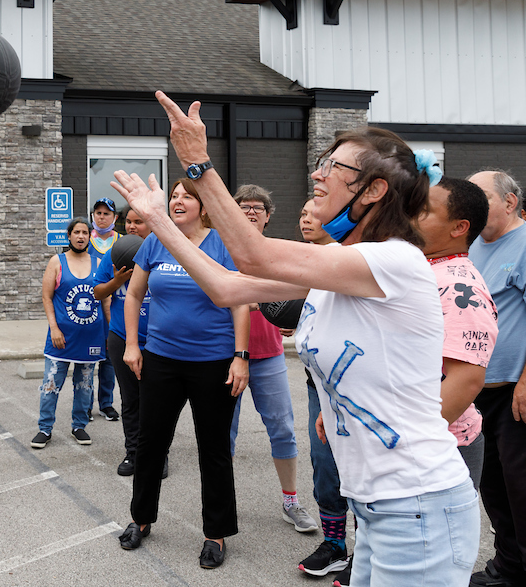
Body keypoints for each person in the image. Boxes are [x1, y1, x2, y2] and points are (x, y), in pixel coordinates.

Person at [115, 91, 480, 586]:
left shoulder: (393, 260)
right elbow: (226, 287)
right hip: (378, 505)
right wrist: (158, 220)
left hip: (416, 502)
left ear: (371, 191)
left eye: (332, 165)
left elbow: (253, 255)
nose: (317, 173)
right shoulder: (342, 270)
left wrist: (198, 163)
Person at [114, 177, 250, 569]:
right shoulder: (158, 239)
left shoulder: (222, 243)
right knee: (151, 443)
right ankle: (141, 518)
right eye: (172, 196)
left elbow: (240, 302)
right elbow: (135, 293)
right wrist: (133, 344)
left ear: (203, 205)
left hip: (213, 362)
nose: (176, 201)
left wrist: (241, 356)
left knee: (214, 449)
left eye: (185, 196)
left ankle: (216, 534)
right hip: (162, 360)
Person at [230, 185, 316, 533]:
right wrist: (252, 301)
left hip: (269, 357)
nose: (251, 212)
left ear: (268, 215)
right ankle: (223, 502)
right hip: (227, 356)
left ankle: (291, 501)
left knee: (283, 431)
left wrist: (290, 319)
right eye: (244, 206)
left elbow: (298, 296)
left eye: (258, 207)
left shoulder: (279, 253)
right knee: (224, 435)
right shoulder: (221, 249)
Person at [418, 177, 498, 488]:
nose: (409, 216)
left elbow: (466, 379)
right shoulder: (422, 268)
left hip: (440, 447)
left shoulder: (459, 288)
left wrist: (404, 441)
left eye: (424, 211)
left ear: (459, 228)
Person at [467, 170, 526, 587]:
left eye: (481, 196)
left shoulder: (524, 244)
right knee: (494, 489)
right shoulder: (471, 246)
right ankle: (507, 569)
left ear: (509, 201)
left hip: (514, 395)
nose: (471, 203)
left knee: (522, 492)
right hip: (475, 393)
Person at [291, 196, 353, 580]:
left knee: (360, 468)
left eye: (318, 212)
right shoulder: (308, 262)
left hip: (357, 389)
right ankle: (335, 545)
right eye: (303, 213)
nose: (308, 219)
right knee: (325, 466)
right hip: (320, 386)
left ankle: (369, 551)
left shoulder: (354, 260)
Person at [93, 204, 162, 476]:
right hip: (122, 338)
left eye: (139, 222)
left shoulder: (166, 254)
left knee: (156, 402)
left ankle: (158, 455)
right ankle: (133, 454)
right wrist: (117, 280)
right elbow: (97, 292)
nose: (132, 227)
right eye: (129, 222)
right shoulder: (116, 253)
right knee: (131, 400)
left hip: (158, 340)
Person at [33, 218, 105, 448]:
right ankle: (45, 429)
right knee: (51, 385)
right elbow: (46, 297)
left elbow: (107, 299)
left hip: (91, 338)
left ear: (90, 236)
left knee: (84, 386)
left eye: (85, 232)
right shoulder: (57, 261)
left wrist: (111, 332)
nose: (81, 236)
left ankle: (79, 426)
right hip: (61, 338)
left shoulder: (99, 263)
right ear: (69, 235)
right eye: (76, 232)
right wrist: (54, 328)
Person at [87, 198, 120, 422]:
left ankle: (106, 403)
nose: (101, 217)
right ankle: (85, 404)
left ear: (115, 218)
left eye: (106, 213)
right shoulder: (82, 240)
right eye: (98, 213)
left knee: (110, 359)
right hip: (88, 308)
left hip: (114, 307)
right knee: (88, 358)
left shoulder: (123, 243)